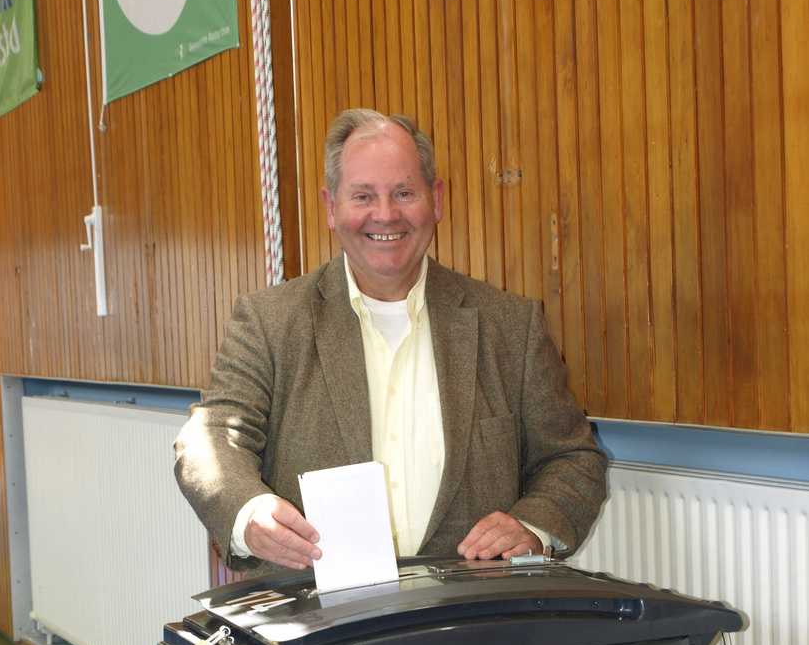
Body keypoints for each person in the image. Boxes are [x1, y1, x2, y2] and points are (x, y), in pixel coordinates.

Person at [174, 109, 607, 576]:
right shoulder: (268, 322)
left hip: (471, 618)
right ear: (331, 206)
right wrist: (248, 513)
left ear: (435, 199)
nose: (385, 214)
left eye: (404, 193)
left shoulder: (511, 326)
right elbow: (212, 436)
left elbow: (572, 459)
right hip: (318, 619)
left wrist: (532, 526)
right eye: (363, 195)